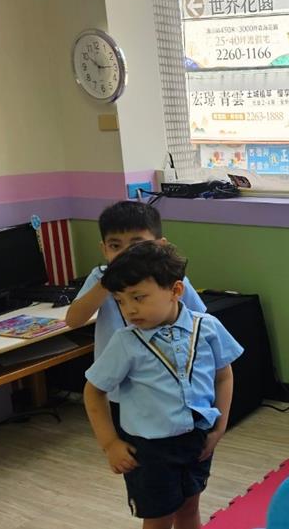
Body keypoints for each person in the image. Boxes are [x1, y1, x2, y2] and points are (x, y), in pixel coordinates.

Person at [83, 241, 243, 529]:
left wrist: (219, 428)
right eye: (121, 301)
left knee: (190, 508)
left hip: (196, 438)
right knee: (158, 519)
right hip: (149, 449)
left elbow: (224, 376)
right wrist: (110, 444)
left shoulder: (207, 327)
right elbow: (94, 391)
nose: (129, 310)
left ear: (176, 290)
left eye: (138, 297)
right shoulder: (125, 341)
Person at [66, 201, 207, 434]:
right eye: (115, 246)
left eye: (137, 245)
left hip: (170, 387)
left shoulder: (169, 278)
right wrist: (108, 282)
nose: (126, 254)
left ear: (160, 246)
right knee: (131, 449)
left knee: (183, 443)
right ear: (104, 250)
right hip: (121, 390)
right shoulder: (100, 278)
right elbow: (74, 320)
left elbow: (199, 320)